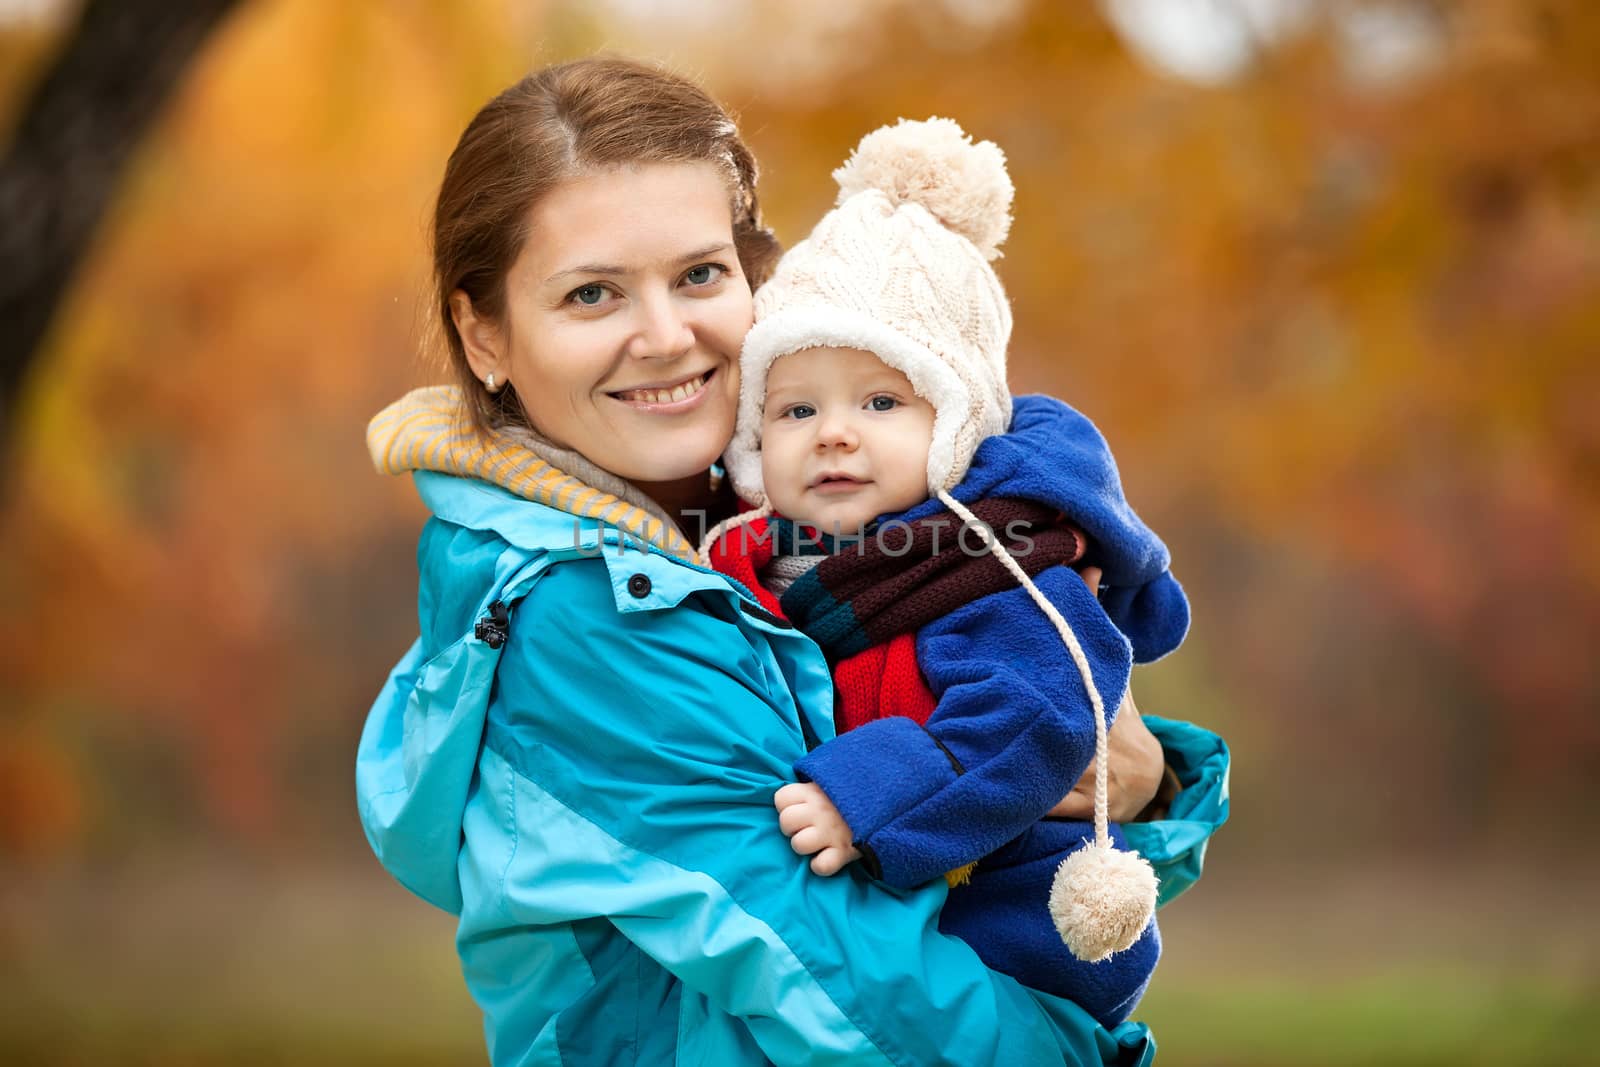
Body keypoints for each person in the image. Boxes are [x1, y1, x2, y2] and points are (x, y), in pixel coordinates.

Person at [356, 56, 1230, 1066]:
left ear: (758, 279)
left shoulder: (799, 521)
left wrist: (1142, 776)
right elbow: (846, 984)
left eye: (698, 274)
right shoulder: (576, 617)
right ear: (484, 334)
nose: (664, 335)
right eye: (592, 294)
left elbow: (1060, 760)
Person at [699, 117, 1193, 1027]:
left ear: (957, 426)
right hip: (883, 920)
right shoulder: (753, 554)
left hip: (1012, 922)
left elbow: (1036, 718)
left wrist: (868, 793)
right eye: (796, 406)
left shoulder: (995, 565)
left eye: (882, 401)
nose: (834, 431)